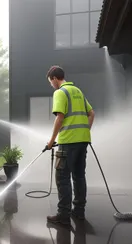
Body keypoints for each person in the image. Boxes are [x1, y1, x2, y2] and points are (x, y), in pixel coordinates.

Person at [46, 66, 95, 225]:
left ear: (54, 78)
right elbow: (91, 113)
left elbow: (60, 117)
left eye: (50, 82)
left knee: (62, 177)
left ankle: (63, 215)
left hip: (67, 142)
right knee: (79, 176)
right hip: (83, 142)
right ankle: (79, 212)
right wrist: (84, 131)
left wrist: (51, 140)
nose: (51, 85)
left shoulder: (60, 92)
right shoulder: (78, 91)